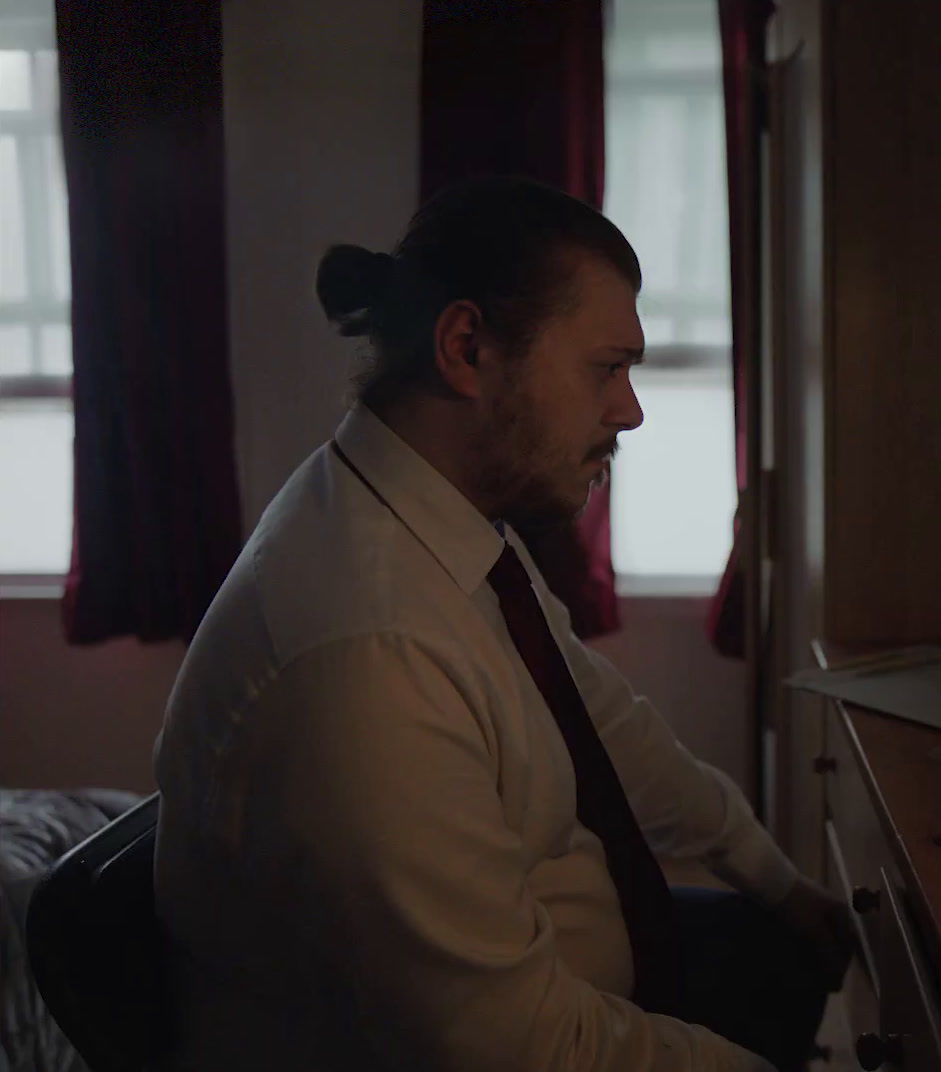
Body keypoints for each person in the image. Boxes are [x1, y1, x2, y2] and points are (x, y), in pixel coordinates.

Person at [152, 178, 852, 1072]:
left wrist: (776, 880)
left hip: (580, 972)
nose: (630, 409)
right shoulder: (368, 659)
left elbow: (604, 724)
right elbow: (514, 1048)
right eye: (606, 368)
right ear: (467, 347)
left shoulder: (438, 519)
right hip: (520, 1036)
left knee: (801, 964)